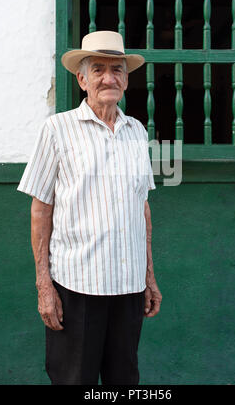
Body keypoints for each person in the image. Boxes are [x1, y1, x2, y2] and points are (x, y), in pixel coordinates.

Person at [17, 30, 162, 385]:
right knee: (73, 380)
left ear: (127, 79)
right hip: (76, 288)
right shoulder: (57, 130)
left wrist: (148, 275)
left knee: (124, 380)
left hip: (127, 289)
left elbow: (141, 206)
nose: (108, 78)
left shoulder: (137, 132)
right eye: (98, 69)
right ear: (82, 79)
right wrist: (44, 287)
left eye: (117, 69)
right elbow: (40, 210)